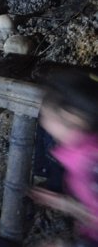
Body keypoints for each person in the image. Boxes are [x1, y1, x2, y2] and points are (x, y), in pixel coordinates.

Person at [29, 67, 98, 247]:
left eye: (46, 115)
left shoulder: (91, 164)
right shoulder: (85, 152)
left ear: (71, 117)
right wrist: (66, 204)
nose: (42, 121)